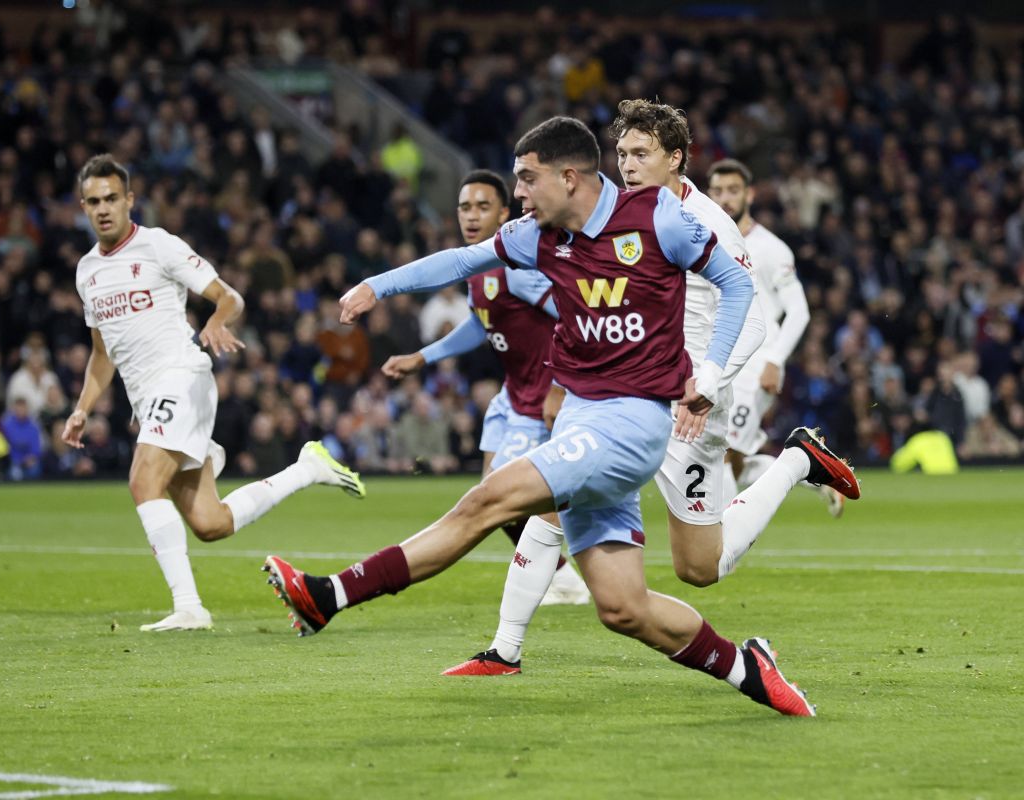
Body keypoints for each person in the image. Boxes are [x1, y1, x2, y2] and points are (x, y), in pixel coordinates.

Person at [264, 116, 816, 717]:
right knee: (623, 607)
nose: (519, 195)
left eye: (527, 180)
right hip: (582, 419)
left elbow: (737, 286)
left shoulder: (659, 218)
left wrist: (710, 373)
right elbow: (459, 262)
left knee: (487, 500)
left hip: (631, 425)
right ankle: (748, 668)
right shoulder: (538, 236)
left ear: (569, 177)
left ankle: (330, 595)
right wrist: (378, 285)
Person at [443, 101, 861, 677]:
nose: (629, 165)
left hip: (694, 402)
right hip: (628, 395)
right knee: (555, 503)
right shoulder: (612, 212)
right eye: (622, 153)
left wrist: (707, 386)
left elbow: (757, 322)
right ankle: (503, 650)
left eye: (642, 154)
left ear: (676, 159)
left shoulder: (709, 224)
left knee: (700, 568)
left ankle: (795, 461)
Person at [62, 154, 367, 632]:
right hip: (149, 399)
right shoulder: (87, 273)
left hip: (182, 376)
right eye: (94, 202)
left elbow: (230, 296)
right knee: (209, 523)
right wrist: (82, 409)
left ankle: (189, 607)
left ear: (129, 201)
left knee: (144, 481)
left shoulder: (158, 246)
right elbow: (103, 355)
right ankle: (308, 470)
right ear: (83, 206)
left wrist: (216, 320)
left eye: (112, 199)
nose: (104, 209)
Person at [381, 169, 589, 604]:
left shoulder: (517, 266)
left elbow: (575, 315)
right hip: (512, 395)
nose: (472, 216)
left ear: (504, 213)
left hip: (540, 399)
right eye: (464, 207)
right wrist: (424, 356)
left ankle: (565, 577)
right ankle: (561, 575)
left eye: (482, 207)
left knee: (503, 498)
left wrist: (560, 387)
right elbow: (483, 323)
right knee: (494, 497)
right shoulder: (481, 266)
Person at [705, 159, 841, 516]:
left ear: (749, 194)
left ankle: (723, 533)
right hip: (717, 361)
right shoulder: (704, 242)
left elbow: (800, 311)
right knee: (722, 452)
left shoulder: (771, 248)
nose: (725, 199)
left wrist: (775, 360)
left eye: (733, 190)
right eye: (717, 191)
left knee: (725, 450)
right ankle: (811, 471)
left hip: (756, 363)